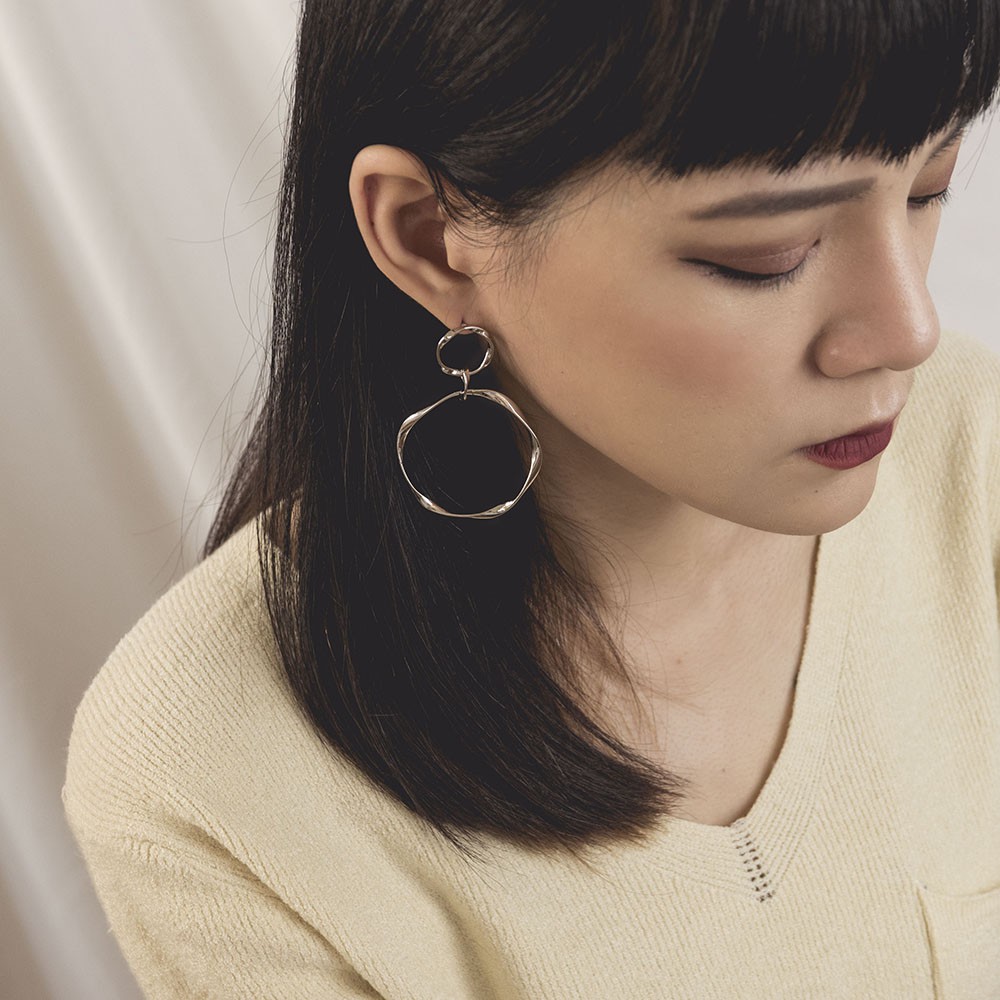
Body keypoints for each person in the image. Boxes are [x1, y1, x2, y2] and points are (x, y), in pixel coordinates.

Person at [64, 1, 1000, 996]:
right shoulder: (207, 768)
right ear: (431, 237)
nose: (908, 329)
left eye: (928, 186)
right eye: (766, 254)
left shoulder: (974, 451)